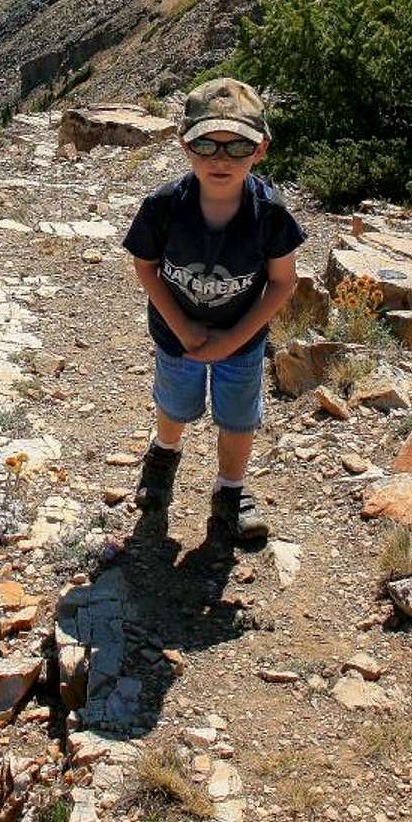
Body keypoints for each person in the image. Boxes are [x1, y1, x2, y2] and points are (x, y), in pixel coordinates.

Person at [122, 77, 306, 544]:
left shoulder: (270, 215)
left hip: (241, 340)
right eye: (206, 143)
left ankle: (231, 492)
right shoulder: (164, 206)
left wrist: (233, 339)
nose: (220, 159)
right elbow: (145, 266)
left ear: (260, 149)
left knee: (238, 417)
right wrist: (182, 327)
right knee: (176, 404)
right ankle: (164, 455)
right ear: (185, 144)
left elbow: (284, 282)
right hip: (175, 335)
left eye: (237, 145)